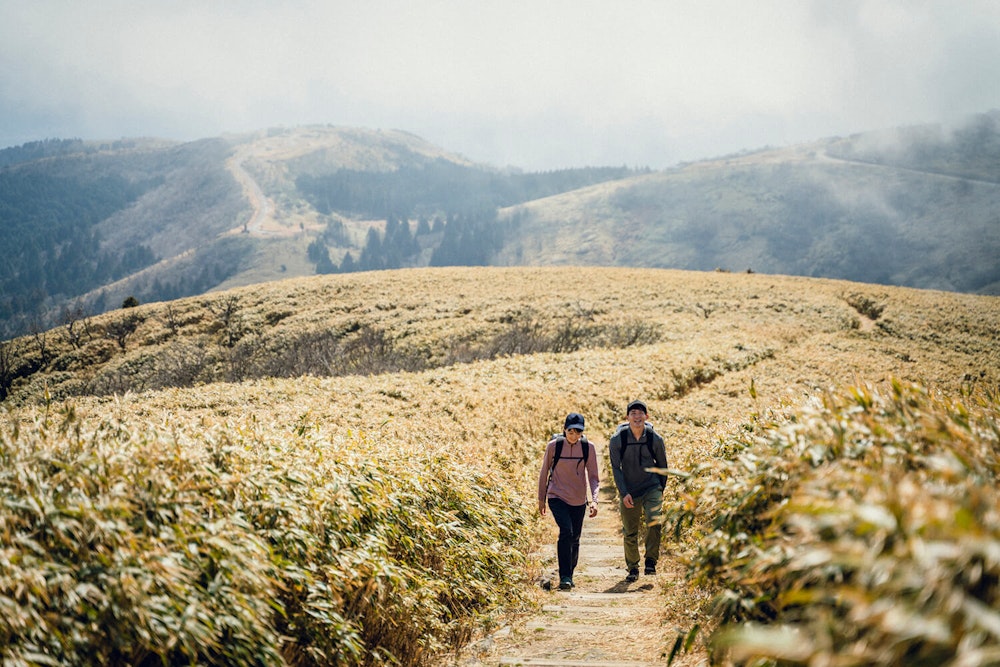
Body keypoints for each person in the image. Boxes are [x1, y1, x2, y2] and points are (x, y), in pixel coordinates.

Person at [537, 412, 600, 591]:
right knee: (566, 531)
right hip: (556, 495)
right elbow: (544, 473)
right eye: (570, 432)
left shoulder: (588, 448)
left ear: (582, 432)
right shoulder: (554, 446)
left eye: (578, 432)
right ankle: (565, 576)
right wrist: (541, 498)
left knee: (575, 537)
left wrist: (594, 501)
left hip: (579, 499)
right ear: (564, 430)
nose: (574, 436)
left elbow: (594, 476)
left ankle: (569, 573)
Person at [608, 399, 668, 583]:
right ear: (627, 417)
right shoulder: (617, 440)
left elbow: (663, 466)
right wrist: (624, 492)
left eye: (640, 413)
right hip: (629, 490)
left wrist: (659, 489)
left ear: (646, 416)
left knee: (654, 521)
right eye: (633, 413)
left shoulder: (655, 439)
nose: (637, 416)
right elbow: (616, 468)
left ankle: (650, 561)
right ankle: (633, 567)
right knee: (630, 531)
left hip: (652, 486)